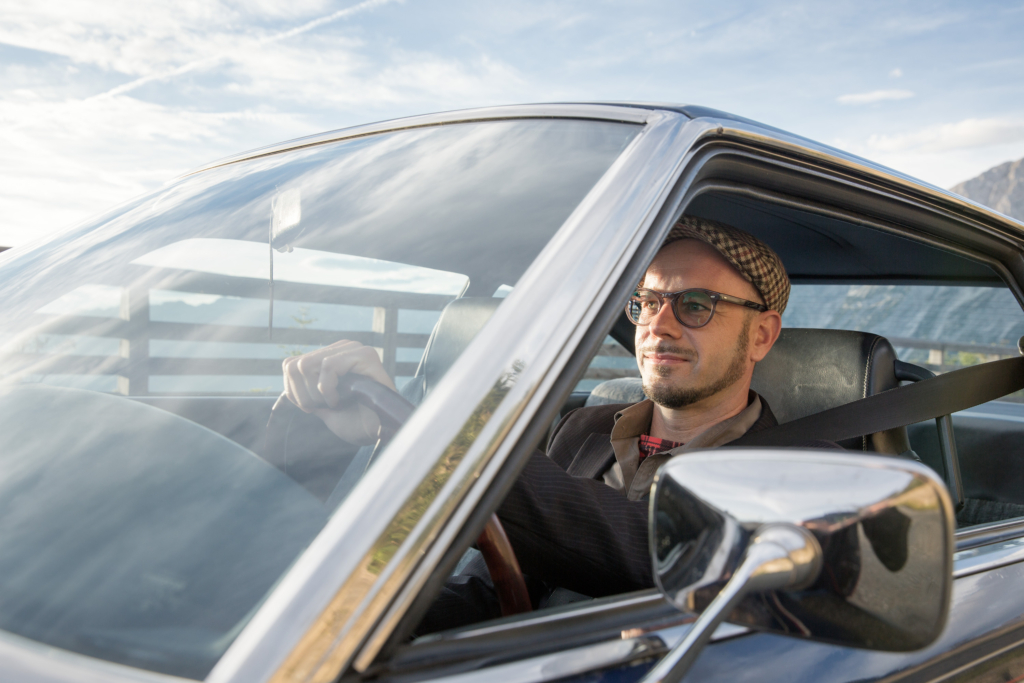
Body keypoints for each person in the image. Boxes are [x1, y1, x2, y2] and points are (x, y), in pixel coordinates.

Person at [282, 216, 825, 627]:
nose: (659, 326)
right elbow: (495, 581)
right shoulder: (583, 429)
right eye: (647, 300)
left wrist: (427, 442)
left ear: (761, 335)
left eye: (696, 305)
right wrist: (334, 619)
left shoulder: (809, 477)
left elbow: (662, 549)